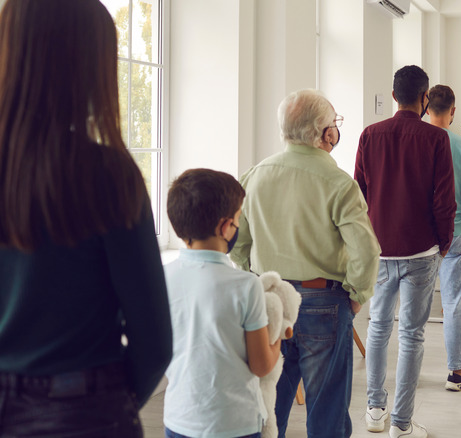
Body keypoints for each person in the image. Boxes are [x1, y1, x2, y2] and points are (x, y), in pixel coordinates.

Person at [0, 0, 172, 435]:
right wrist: (108, 403)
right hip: (83, 409)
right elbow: (154, 342)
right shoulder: (108, 175)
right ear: (86, 67)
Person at [231, 89, 381, 438]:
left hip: (267, 301)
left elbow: (239, 242)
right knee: (326, 412)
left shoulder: (255, 176)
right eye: (334, 124)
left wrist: (254, 276)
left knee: (268, 408)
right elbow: (366, 250)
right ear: (325, 133)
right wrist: (357, 295)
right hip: (323, 303)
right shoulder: (339, 183)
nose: (336, 130)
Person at [356, 65, 456, 438]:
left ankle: (374, 410)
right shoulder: (436, 139)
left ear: (394, 96)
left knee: (378, 327)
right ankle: (401, 423)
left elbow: (359, 195)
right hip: (421, 250)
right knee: (412, 334)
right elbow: (445, 201)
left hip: (379, 249)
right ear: (425, 97)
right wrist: (443, 243)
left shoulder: (369, 135)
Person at [163, 169, 281, 438]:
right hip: (235, 422)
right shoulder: (246, 285)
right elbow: (261, 365)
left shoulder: (162, 277)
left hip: (179, 418)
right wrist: (278, 340)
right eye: (239, 219)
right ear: (226, 227)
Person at [426, 84, 461, 392]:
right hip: (456, 234)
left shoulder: (415, 141)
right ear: (453, 111)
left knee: (413, 308)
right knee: (453, 304)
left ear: (426, 106)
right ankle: (456, 371)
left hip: (419, 236)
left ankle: (410, 372)